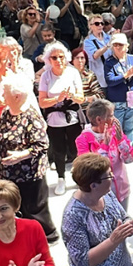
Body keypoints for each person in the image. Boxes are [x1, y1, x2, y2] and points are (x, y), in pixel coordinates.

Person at [0, 80, 59, 244]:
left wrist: (20, 155)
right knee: (17, 208)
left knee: (34, 210)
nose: (2, 95)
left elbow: (42, 144)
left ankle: (47, 237)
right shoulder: (7, 112)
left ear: (16, 96)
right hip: (9, 173)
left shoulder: (31, 117)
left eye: (5, 92)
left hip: (29, 175)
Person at [37, 42, 85, 196]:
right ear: (48, 60)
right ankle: (60, 178)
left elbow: (81, 98)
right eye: (54, 57)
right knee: (58, 151)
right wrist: (58, 99)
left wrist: (70, 96)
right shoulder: (46, 75)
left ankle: (79, 177)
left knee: (75, 150)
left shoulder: (73, 73)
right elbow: (42, 102)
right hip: (54, 119)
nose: (58, 60)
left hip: (72, 118)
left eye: (61, 57)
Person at [75, 98, 133, 210]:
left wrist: (121, 140)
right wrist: (105, 147)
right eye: (111, 115)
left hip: (121, 190)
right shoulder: (83, 139)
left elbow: (129, 159)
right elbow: (89, 169)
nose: (114, 119)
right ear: (99, 119)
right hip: (100, 196)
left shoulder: (115, 132)